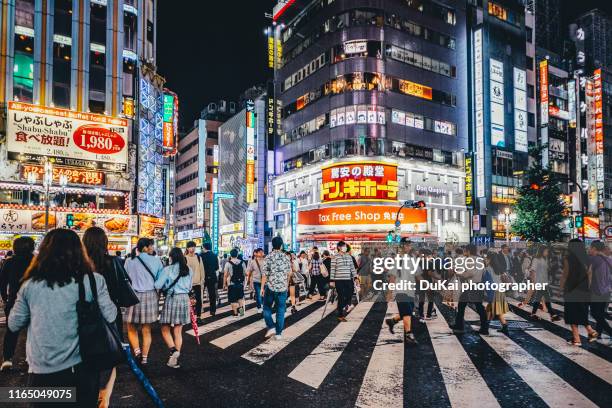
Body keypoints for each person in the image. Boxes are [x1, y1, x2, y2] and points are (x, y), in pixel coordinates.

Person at [8, 229, 116, 407]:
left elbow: (14, 323)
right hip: (82, 368)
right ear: (79, 251)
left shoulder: (30, 285)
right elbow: (111, 315)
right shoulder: (93, 280)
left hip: (41, 370)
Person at [82, 227, 125, 407]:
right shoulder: (113, 261)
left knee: (86, 358)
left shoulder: (80, 264)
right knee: (110, 357)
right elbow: (121, 287)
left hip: (85, 317)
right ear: (105, 242)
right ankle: (104, 398)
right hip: (110, 314)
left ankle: (92, 395)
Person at [123, 237, 163, 365]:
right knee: (146, 329)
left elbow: (126, 279)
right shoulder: (157, 261)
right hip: (150, 296)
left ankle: (137, 352)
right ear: (145, 247)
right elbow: (159, 283)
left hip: (132, 296)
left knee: (131, 327)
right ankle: (144, 358)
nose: (152, 248)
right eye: (151, 246)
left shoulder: (129, 261)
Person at [0, 237, 35, 371]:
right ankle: (31, 359)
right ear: (32, 247)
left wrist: (5, 298)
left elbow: (2, 283)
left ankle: (7, 359)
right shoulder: (37, 262)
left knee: (12, 330)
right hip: (34, 301)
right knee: (34, 330)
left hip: (14, 300)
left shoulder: (10, 262)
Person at [155, 248, 193, 368]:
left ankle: (173, 350)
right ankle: (174, 359)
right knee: (178, 331)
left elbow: (157, 285)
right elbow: (190, 286)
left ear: (172, 257)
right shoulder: (189, 270)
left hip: (172, 298)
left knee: (164, 327)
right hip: (184, 299)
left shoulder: (168, 269)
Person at [560, 239, 598, 346]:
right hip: (584, 291)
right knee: (582, 311)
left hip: (571, 291)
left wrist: (560, 289)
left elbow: (565, 275)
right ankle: (590, 331)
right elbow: (590, 275)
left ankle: (577, 339)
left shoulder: (568, 258)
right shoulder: (588, 259)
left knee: (572, 314)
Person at [385, 244, 419, 345]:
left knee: (407, 311)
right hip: (400, 290)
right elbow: (392, 277)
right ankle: (409, 335)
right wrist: (390, 292)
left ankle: (392, 321)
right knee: (407, 312)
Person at [451, 244, 489, 335]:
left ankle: (484, 328)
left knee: (476, 307)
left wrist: (458, 273)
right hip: (478, 285)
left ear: (468, 251)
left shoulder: (470, 260)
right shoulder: (480, 259)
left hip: (471, 286)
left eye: (465, 250)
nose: (464, 252)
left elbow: (469, 273)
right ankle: (460, 324)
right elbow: (483, 273)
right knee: (468, 305)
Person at [261, 237, 292, 340]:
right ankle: (278, 333)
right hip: (282, 287)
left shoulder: (268, 257)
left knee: (266, 307)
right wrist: (286, 285)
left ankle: (271, 326)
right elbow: (289, 273)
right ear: (281, 245)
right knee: (280, 310)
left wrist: (262, 287)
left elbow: (265, 275)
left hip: (270, 287)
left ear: (272, 245)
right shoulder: (286, 257)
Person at [528, 246, 561, 322]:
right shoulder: (536, 259)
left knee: (541, 298)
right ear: (542, 251)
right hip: (539, 282)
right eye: (546, 251)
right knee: (544, 298)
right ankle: (552, 314)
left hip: (544, 281)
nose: (547, 253)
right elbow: (532, 271)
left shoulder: (544, 259)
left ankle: (534, 314)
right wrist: (534, 282)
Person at [588, 241, 611, 341]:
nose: (589, 250)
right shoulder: (608, 260)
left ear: (594, 248)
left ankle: (610, 332)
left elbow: (589, 274)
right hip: (607, 291)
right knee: (600, 313)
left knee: (595, 313)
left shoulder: (594, 259)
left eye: (590, 248)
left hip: (596, 291)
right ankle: (598, 333)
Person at [330, 241, 357, 322]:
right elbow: (333, 269)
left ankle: (339, 308)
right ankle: (340, 315)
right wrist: (332, 280)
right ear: (339, 247)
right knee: (341, 296)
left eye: (345, 246)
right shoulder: (335, 256)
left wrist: (355, 277)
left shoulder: (349, 256)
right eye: (344, 246)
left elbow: (352, 268)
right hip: (339, 280)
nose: (345, 247)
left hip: (348, 279)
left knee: (350, 294)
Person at [486, 251, 510, 335]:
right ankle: (486, 326)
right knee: (489, 308)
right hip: (500, 290)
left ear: (489, 259)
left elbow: (487, 281)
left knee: (498, 311)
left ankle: (505, 326)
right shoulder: (499, 268)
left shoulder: (488, 268)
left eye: (487, 258)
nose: (486, 259)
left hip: (494, 291)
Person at [184, 241, 204, 321]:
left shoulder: (198, 258)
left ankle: (198, 317)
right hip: (187, 284)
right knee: (188, 301)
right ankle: (187, 317)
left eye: (194, 246)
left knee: (199, 300)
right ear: (187, 248)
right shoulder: (184, 258)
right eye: (190, 247)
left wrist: (202, 280)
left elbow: (202, 270)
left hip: (197, 283)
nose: (192, 248)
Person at [224, 249, 245, 317]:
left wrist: (224, 284)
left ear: (230, 255)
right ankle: (241, 313)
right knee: (240, 299)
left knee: (233, 300)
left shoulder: (228, 263)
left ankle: (235, 313)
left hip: (232, 284)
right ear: (237, 254)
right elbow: (245, 273)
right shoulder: (242, 263)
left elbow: (225, 275)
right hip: (240, 284)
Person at [200, 242, 219, 317]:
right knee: (212, 294)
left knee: (200, 293)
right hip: (212, 276)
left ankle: (200, 309)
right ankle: (213, 310)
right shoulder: (214, 255)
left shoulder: (201, 256)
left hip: (203, 277)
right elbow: (217, 267)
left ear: (204, 247)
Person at [246, 248, 265, 312]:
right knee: (258, 293)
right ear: (256, 253)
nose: (262, 253)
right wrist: (248, 279)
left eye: (262, 252)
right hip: (256, 280)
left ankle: (262, 304)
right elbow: (250, 271)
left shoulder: (266, 261)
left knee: (263, 293)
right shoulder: (253, 262)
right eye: (260, 252)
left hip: (264, 281)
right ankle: (259, 307)